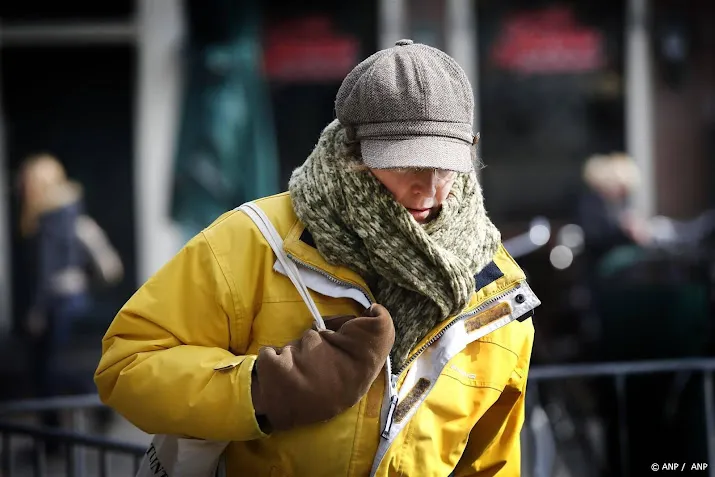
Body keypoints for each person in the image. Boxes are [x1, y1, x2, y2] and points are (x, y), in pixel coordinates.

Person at [95, 39, 539, 476]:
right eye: (404, 164)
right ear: (353, 152)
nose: (428, 186)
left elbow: (490, 463)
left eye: (445, 165)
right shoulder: (255, 240)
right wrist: (264, 390)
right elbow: (126, 365)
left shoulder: (497, 288)